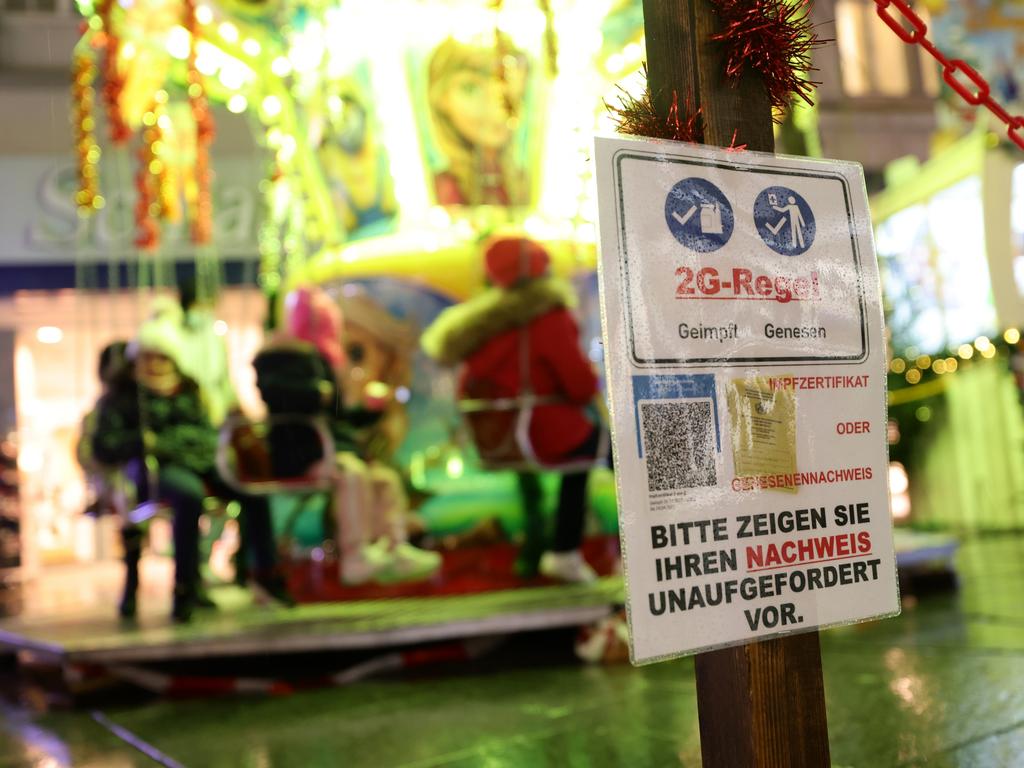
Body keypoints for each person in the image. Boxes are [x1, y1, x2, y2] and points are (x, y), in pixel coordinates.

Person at [421, 236, 606, 582]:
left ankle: (534, 550)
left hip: (498, 433)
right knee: (600, 445)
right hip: (539, 429)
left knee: (535, 475)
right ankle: (568, 548)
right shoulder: (550, 316)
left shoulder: (483, 324)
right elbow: (578, 385)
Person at [91, 317, 291, 622]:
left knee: (252, 493)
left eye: (162, 356)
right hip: (155, 472)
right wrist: (146, 442)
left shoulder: (188, 389)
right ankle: (185, 587)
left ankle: (263, 572)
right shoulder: (123, 398)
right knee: (188, 495)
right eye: (148, 356)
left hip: (200, 462)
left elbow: (206, 428)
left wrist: (202, 444)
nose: (155, 364)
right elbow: (104, 445)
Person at [253, 286, 441, 586]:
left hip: (330, 448)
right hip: (299, 452)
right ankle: (355, 554)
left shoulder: (324, 363)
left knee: (383, 479)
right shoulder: (281, 357)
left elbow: (336, 419)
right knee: (352, 474)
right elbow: (285, 402)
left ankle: (393, 547)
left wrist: (372, 410)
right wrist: (317, 394)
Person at [427, 33, 529, 207]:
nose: (496, 106)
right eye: (471, 88)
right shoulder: (440, 190)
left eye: (506, 81)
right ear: (441, 99)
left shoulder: (526, 183)